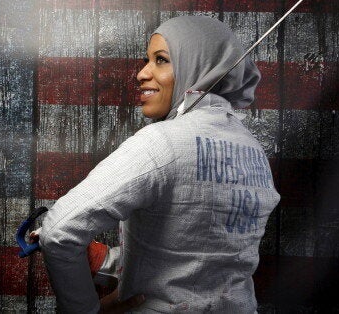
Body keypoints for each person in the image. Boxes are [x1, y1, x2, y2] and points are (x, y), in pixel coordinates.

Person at [36, 15, 280, 313]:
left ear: (198, 64)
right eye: (148, 60)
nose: (142, 73)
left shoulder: (161, 141)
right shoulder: (253, 149)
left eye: (161, 60)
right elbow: (201, 258)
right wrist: (105, 260)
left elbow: (59, 231)